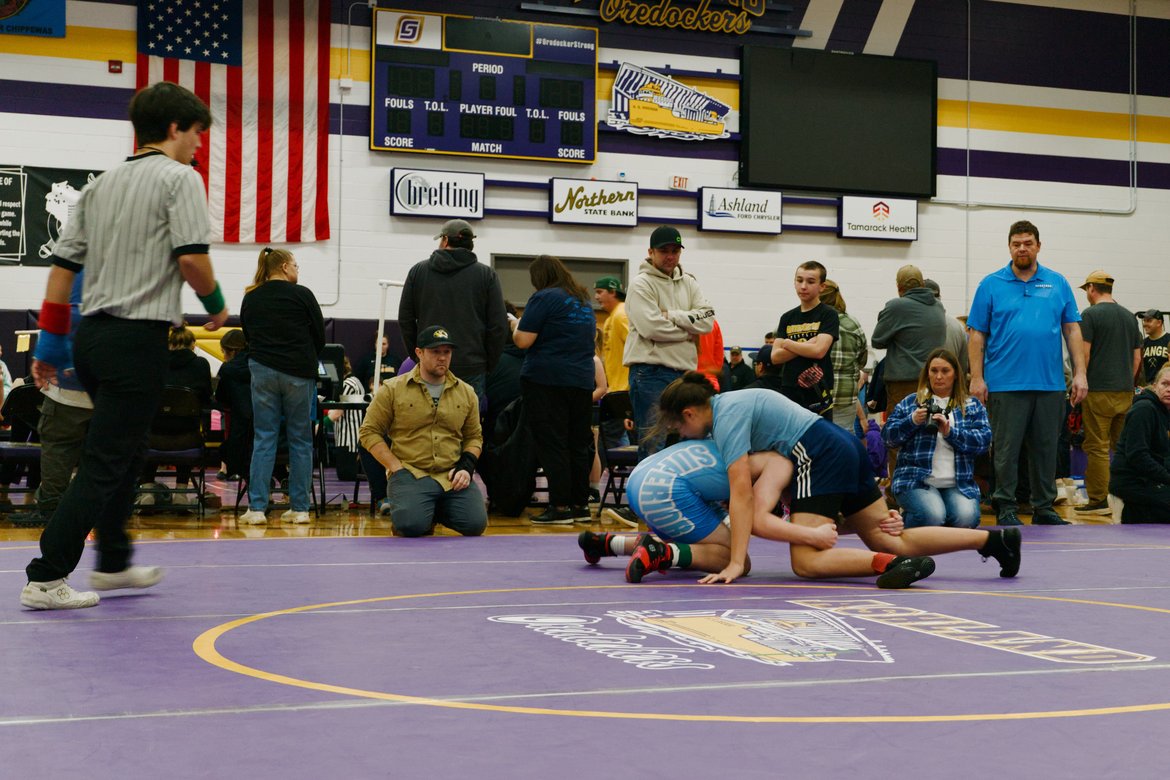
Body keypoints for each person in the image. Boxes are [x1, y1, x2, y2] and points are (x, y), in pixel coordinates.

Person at [21, 81, 228, 610]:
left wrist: (50, 344)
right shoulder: (181, 179)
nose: (200, 145)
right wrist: (219, 306)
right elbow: (191, 260)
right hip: (136, 340)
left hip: (90, 338)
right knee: (105, 461)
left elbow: (62, 270)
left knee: (128, 449)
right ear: (176, 129)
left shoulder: (99, 185)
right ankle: (45, 576)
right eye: (198, 133)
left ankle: (112, 563)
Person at [590, 377, 1019, 587]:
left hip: (815, 451)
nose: (687, 437)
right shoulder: (734, 405)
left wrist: (737, 562)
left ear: (689, 414)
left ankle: (889, 567)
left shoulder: (727, 415)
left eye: (681, 429)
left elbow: (742, 495)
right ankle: (992, 541)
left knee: (807, 563)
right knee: (891, 536)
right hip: (840, 445)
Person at [967, 220, 1087, 527]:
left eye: (1028, 243)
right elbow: (976, 335)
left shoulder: (1057, 283)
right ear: (1009, 247)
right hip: (1004, 383)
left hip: (1049, 383)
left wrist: (1080, 374)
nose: (1022, 248)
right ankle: (1005, 504)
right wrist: (977, 378)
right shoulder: (990, 284)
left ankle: (1044, 506)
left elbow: (1072, 329)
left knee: (1046, 449)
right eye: (1016, 243)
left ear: (1038, 245)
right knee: (1005, 450)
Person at [359, 325, 486, 537]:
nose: (442, 358)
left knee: (475, 524)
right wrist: (395, 467)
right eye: (435, 352)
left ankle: (431, 509)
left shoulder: (467, 393)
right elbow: (368, 432)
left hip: (451, 475)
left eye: (447, 352)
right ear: (419, 353)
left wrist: (466, 466)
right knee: (411, 526)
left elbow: (474, 437)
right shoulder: (392, 389)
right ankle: (419, 511)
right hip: (411, 473)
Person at [239, 247, 326, 526]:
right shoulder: (303, 295)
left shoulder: (251, 297)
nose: (298, 271)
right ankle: (299, 508)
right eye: (297, 266)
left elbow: (248, 335)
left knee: (264, 437)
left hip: (263, 370)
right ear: (286, 266)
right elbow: (320, 336)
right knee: (301, 439)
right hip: (298, 372)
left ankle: (256, 509)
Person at [511, 256, 597, 524]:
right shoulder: (583, 300)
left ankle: (560, 507)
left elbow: (523, 341)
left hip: (547, 380)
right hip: (582, 380)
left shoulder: (543, 297)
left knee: (553, 443)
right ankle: (580, 506)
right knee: (578, 443)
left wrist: (515, 325)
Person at [10, 273, 93, 527]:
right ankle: (98, 514)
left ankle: (48, 511)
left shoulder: (75, 275)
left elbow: (56, 315)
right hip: (108, 392)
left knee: (58, 453)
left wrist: (45, 357)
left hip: (67, 390)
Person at [623, 225, 715, 454]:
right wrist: (688, 331)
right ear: (651, 252)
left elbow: (707, 321)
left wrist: (673, 316)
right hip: (650, 373)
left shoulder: (689, 283)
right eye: (664, 251)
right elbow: (651, 328)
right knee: (654, 442)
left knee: (688, 441)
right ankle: (649, 490)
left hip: (684, 375)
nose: (670, 256)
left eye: (675, 250)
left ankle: (679, 489)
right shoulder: (641, 284)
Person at [398, 219, 509, 401]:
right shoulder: (486, 275)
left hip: (429, 364)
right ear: (470, 244)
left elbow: (405, 320)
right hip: (471, 366)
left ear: (445, 241)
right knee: (468, 427)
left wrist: (419, 356)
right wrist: (487, 363)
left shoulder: (418, 272)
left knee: (426, 424)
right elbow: (498, 326)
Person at [881, 348, 992, 528]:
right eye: (934, 371)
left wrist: (951, 433)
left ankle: (933, 526)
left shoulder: (972, 405)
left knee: (966, 518)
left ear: (956, 374)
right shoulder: (911, 403)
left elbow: (984, 442)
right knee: (932, 515)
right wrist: (912, 421)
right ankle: (915, 521)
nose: (939, 376)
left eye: (945, 371)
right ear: (927, 374)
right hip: (916, 481)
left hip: (958, 483)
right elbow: (887, 438)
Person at [1075, 270, 1141, 517]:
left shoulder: (1090, 315)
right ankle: (1127, 496)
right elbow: (1137, 358)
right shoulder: (1128, 316)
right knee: (1122, 446)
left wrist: (1081, 382)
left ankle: (1098, 500)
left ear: (1092, 288)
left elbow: (1085, 354)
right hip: (1125, 391)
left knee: (1098, 447)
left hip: (1098, 391)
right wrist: (1126, 381)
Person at [872, 265, 947, 477]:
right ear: (922, 284)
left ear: (899, 288)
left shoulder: (897, 306)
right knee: (929, 435)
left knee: (898, 435)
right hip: (934, 383)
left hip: (903, 383)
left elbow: (877, 340)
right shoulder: (938, 307)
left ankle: (899, 491)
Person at [137, 325, 214, 506]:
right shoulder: (201, 365)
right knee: (186, 425)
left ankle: (147, 489)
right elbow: (206, 399)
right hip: (187, 441)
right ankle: (181, 492)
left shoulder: (153, 364)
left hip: (152, 441)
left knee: (153, 425)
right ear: (193, 344)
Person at [768, 261, 838, 415]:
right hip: (790, 388)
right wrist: (809, 343)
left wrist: (788, 343)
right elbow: (775, 357)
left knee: (818, 437)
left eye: (810, 281)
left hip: (817, 389)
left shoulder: (828, 314)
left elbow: (819, 351)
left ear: (822, 286)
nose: (803, 286)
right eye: (799, 280)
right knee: (790, 437)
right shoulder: (787, 317)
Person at [1109, 365, 1170, 523]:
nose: (1169, 389)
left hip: (1149, 479)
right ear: (1154, 385)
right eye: (1165, 384)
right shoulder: (1144, 410)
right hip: (1131, 481)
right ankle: (1125, 508)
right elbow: (1137, 456)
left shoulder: (1165, 413)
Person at [819, 278, 867, 431]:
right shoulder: (853, 324)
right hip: (845, 394)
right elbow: (862, 360)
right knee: (845, 439)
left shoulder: (813, 323)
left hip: (817, 393)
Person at [214, 328, 253, 481]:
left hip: (241, 433)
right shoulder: (260, 365)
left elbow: (221, 399)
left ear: (231, 351)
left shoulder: (227, 369)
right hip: (268, 432)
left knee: (226, 448)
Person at [327, 357, 366, 482]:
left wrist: (320, 425)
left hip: (348, 439)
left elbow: (337, 413)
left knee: (345, 476)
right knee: (349, 475)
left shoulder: (347, 384)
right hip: (352, 439)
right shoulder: (356, 381)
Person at [923, 278, 969, 372]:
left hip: (922, 382)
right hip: (950, 382)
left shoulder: (915, 325)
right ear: (939, 297)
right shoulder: (958, 326)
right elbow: (963, 367)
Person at [594, 275, 629, 393]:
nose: (596, 297)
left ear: (613, 292)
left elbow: (637, 347)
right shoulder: (611, 318)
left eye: (599, 292)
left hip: (626, 388)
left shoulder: (621, 314)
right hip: (616, 387)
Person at [1137, 310, 1169, 385]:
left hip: (1166, 386)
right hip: (1148, 387)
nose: (1145, 324)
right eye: (1144, 321)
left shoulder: (1168, 340)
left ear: (1159, 323)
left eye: (1149, 321)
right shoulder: (1143, 343)